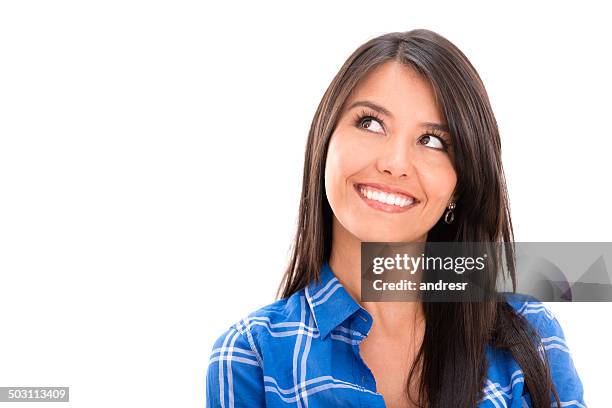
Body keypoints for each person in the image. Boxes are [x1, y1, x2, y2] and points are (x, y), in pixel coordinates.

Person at [205, 29, 586, 407]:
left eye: (433, 141)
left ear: (460, 183)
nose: (395, 164)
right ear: (325, 141)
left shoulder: (529, 336)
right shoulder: (250, 357)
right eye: (370, 123)